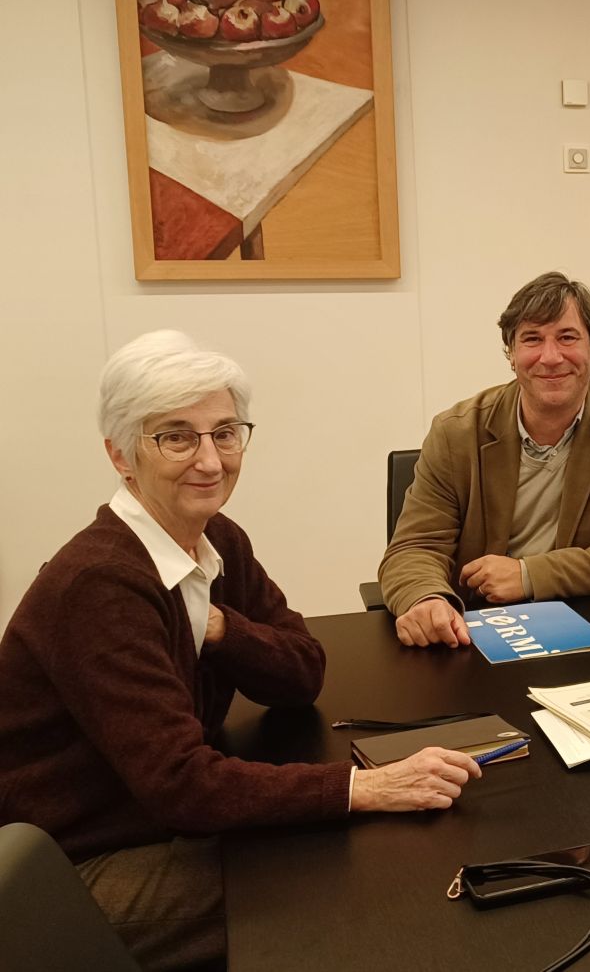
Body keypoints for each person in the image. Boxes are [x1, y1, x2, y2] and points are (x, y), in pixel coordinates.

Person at [0, 331, 481, 972]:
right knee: (347, 876)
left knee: (356, 847)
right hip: (69, 869)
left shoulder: (214, 539)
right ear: (120, 454)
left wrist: (218, 626)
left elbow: (303, 671)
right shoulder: (100, 583)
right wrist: (363, 787)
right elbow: (182, 785)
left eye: (225, 433)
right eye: (176, 437)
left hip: (151, 822)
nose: (210, 460)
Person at [379, 271, 590, 647]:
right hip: (477, 631)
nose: (550, 357)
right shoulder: (455, 432)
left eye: (567, 337)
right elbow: (414, 548)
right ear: (511, 353)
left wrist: (528, 575)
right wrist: (426, 599)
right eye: (532, 339)